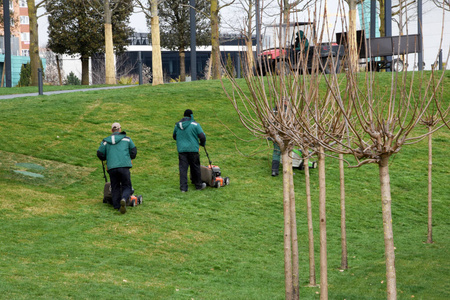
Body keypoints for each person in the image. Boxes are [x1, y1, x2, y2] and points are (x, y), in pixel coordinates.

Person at [97, 122, 137, 214]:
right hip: (124, 166)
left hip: (112, 167)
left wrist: (105, 158)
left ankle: (117, 206)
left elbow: (100, 153)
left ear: (111, 130)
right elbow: (134, 151)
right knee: (127, 186)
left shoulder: (105, 141)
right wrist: (129, 157)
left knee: (115, 186)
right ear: (120, 129)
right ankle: (123, 198)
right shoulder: (127, 139)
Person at [173, 109, 207, 192]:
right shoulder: (195, 125)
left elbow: (174, 136)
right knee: (195, 167)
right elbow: (202, 136)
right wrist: (202, 143)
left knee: (183, 169)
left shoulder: (177, 125)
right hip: (193, 149)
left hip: (182, 150)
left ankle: (183, 188)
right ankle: (198, 185)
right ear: (191, 115)